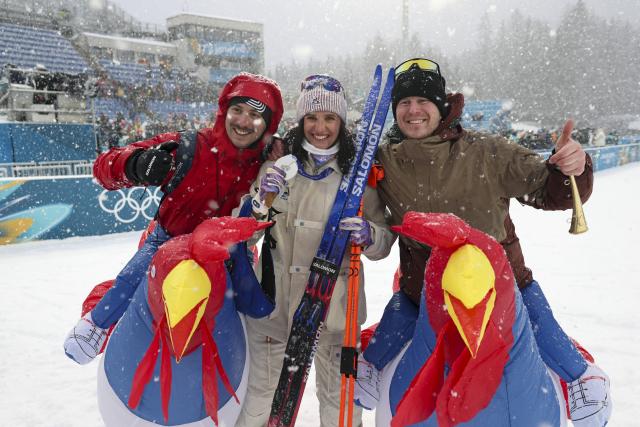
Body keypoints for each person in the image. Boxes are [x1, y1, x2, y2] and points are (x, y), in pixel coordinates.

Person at [356, 58, 610, 425]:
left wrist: (571, 168)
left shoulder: (486, 151)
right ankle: (372, 369)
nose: (413, 111)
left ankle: (581, 379)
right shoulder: (386, 160)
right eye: (404, 103)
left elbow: (550, 191)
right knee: (378, 351)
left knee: (545, 332)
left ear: (441, 106)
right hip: (420, 291)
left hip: (502, 286)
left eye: (423, 101)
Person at [64, 72, 284, 364]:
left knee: (252, 309)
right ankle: (98, 323)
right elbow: (104, 168)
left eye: (255, 115)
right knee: (134, 279)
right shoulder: (188, 147)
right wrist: (135, 165)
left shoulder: (267, 161)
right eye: (238, 110)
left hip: (227, 254)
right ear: (224, 111)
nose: (244, 122)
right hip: (169, 243)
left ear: (268, 125)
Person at [235, 75, 393, 427]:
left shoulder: (357, 178)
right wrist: (260, 202)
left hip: (335, 316)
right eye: (312, 118)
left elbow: (382, 244)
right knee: (259, 403)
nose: (320, 128)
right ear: (301, 121)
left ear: (341, 123)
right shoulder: (276, 169)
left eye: (330, 118)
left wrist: (369, 235)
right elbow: (242, 236)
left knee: (340, 411)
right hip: (274, 312)